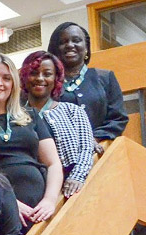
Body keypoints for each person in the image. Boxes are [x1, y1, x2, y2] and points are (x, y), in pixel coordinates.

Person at [0, 53, 64, 229]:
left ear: (14, 83)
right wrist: (9, 202)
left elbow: (53, 163)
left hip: (41, 208)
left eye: (6, 78)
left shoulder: (30, 116)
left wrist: (50, 200)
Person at [20, 50, 96, 198]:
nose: (40, 78)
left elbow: (86, 149)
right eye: (34, 73)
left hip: (74, 189)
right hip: (35, 192)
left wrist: (76, 178)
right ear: (24, 77)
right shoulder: (16, 117)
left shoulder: (73, 111)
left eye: (47, 74)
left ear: (56, 79)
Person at [47, 22, 128, 151]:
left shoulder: (105, 77)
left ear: (86, 48)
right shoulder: (47, 82)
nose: (70, 45)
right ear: (55, 49)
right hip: (59, 154)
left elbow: (118, 118)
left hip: (102, 152)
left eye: (76, 40)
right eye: (63, 42)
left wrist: (94, 139)